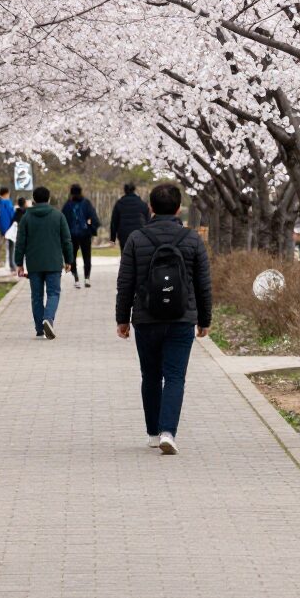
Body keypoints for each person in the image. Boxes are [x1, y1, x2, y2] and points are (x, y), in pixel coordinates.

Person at [115, 183, 212, 454]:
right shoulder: (192, 239)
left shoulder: (136, 239)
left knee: (150, 375)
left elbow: (125, 282)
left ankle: (153, 433)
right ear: (179, 208)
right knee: (175, 376)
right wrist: (204, 319)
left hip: (146, 318)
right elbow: (204, 284)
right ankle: (169, 431)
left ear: (150, 207)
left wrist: (122, 319)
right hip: (182, 318)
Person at [15, 185, 73, 339]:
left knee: (36, 296)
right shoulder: (58, 215)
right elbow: (66, 240)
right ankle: (48, 319)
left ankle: (40, 328)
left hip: (34, 263)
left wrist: (19, 263)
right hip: (53, 262)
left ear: (34, 199)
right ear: (48, 198)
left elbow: (20, 242)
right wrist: (69, 260)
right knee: (53, 293)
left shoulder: (26, 217)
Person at [62, 183, 99, 288]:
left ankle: (76, 279)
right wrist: (91, 229)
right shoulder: (86, 203)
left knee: (72, 257)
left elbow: (63, 220)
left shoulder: (68, 205)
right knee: (87, 257)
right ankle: (87, 278)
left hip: (71, 235)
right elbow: (93, 217)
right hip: (85, 234)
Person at [109, 181, 149, 251]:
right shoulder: (142, 204)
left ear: (125, 190)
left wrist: (113, 238)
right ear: (134, 190)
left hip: (124, 235)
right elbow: (148, 220)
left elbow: (114, 222)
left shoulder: (119, 203)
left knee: (125, 254)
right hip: (139, 234)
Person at [0, 187, 16, 271]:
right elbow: (12, 215)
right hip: (8, 229)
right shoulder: (8, 203)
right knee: (11, 246)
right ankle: (12, 265)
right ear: (6, 194)